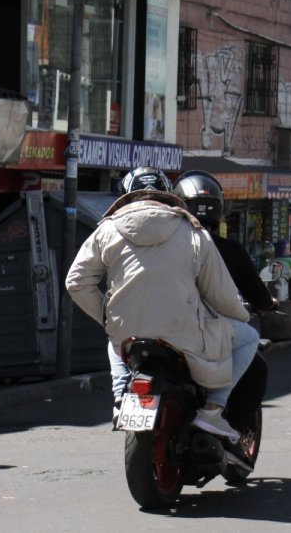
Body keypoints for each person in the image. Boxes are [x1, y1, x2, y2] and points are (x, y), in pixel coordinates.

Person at [65, 166, 258, 442]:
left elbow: (76, 283)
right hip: (183, 334)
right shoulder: (193, 231)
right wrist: (242, 316)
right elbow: (220, 293)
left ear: (126, 197)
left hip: (127, 334)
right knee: (249, 337)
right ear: (167, 196)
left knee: (113, 339)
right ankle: (213, 409)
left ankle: (121, 397)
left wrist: (107, 318)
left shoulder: (106, 230)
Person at [172, 171, 276, 314]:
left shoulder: (166, 244)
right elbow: (257, 296)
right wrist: (268, 303)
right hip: (207, 325)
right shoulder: (230, 250)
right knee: (250, 336)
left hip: (163, 323)